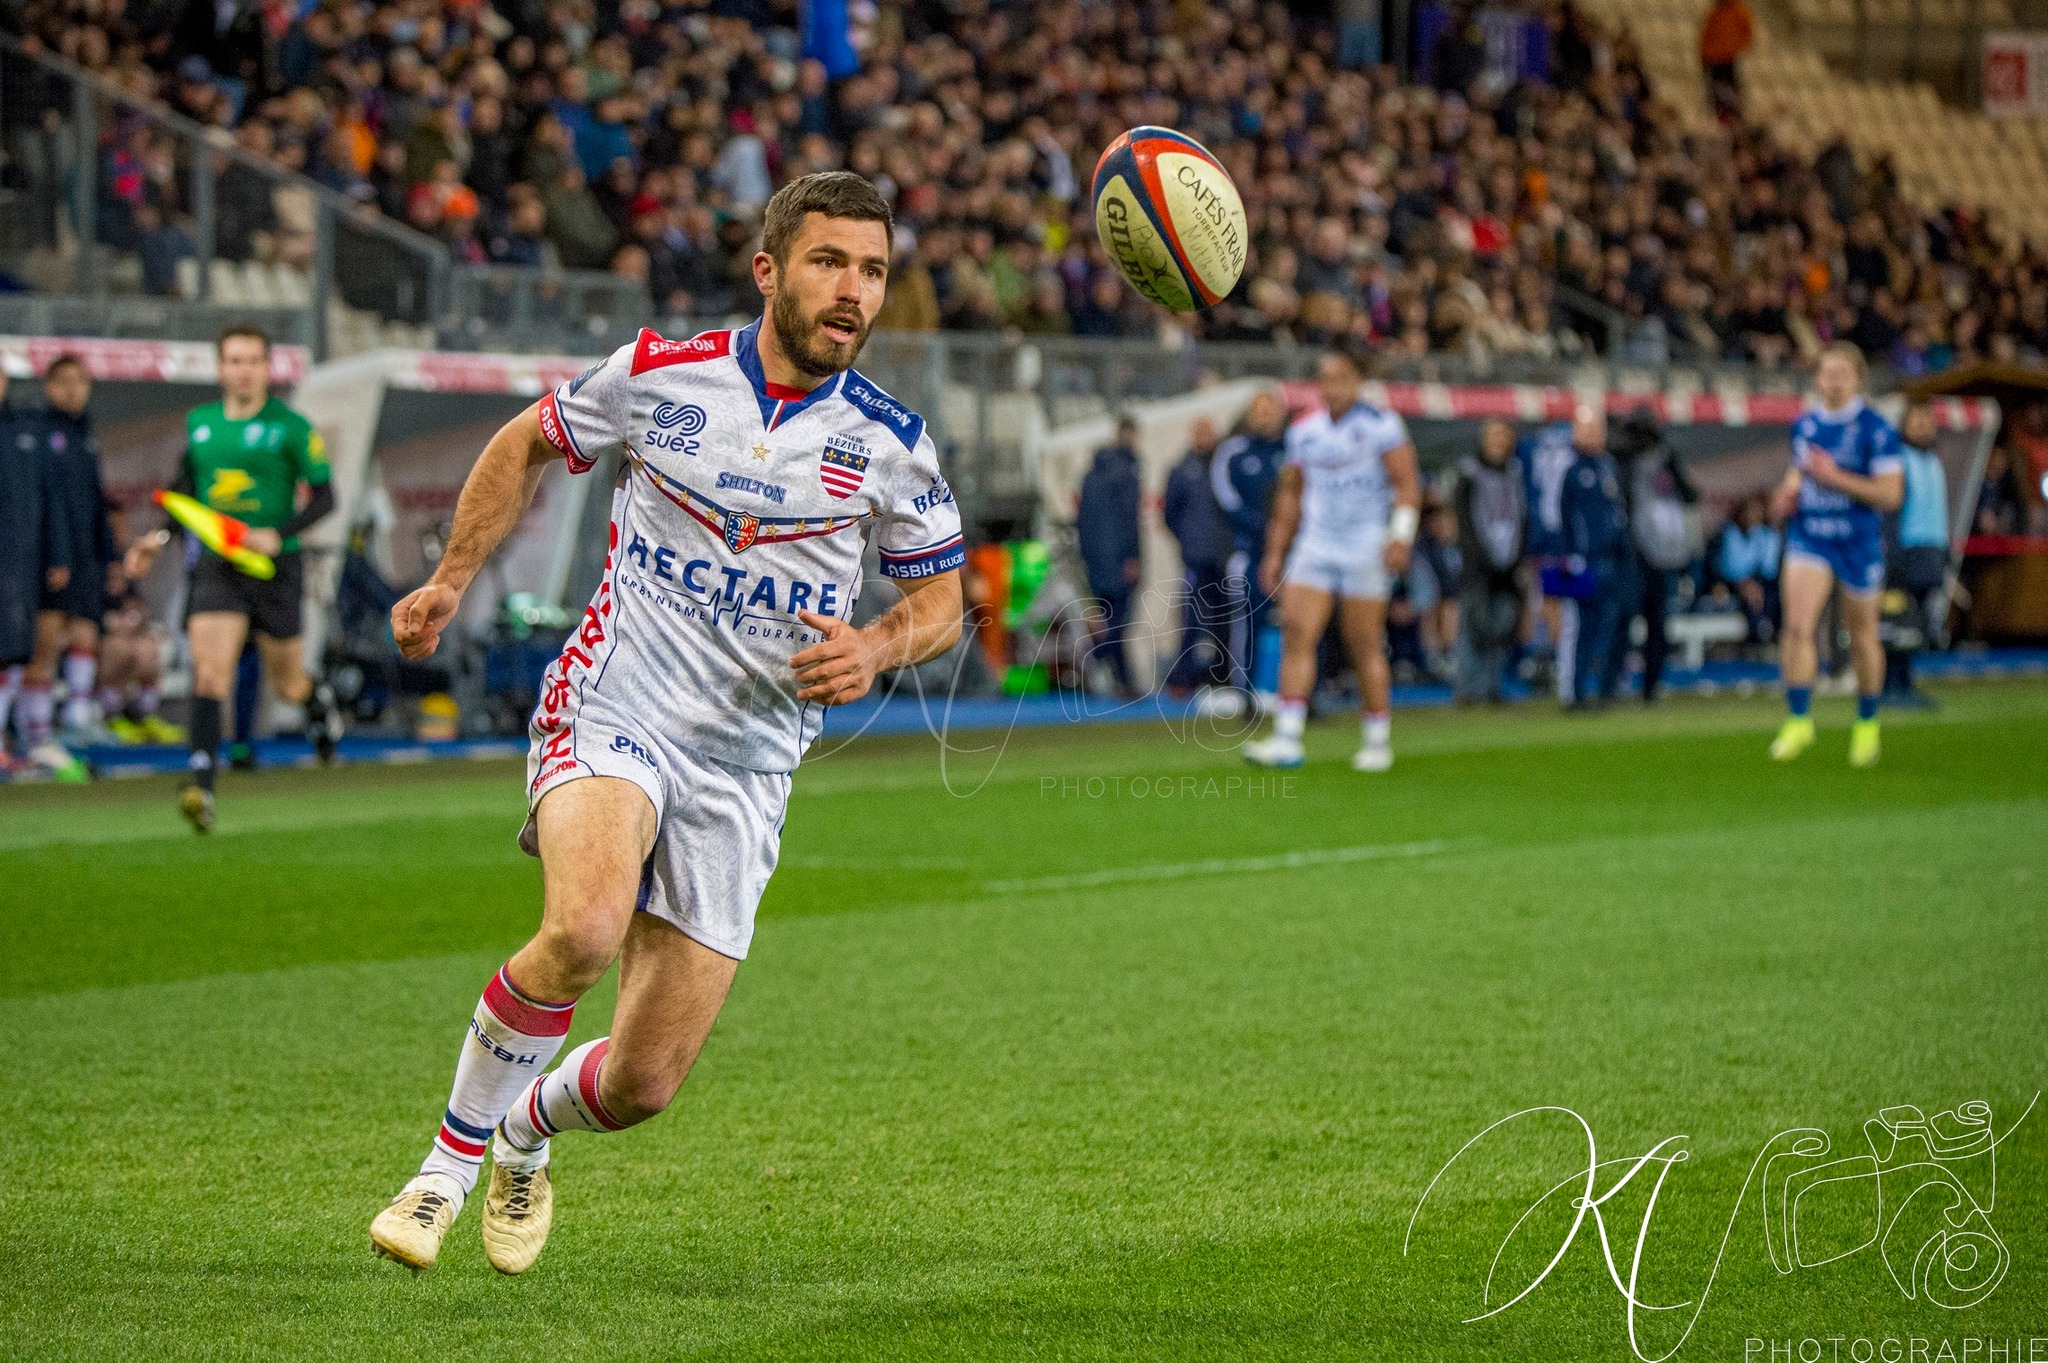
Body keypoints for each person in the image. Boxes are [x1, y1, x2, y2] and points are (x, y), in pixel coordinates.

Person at [366, 172, 965, 1276]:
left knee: (644, 1084)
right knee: (585, 927)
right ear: (769, 270)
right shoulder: (656, 375)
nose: (852, 293)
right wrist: (452, 577)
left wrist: (877, 645)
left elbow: (942, 600)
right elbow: (524, 443)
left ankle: (522, 1129)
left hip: (748, 762)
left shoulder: (891, 444)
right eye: (829, 263)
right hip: (616, 704)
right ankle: (439, 1173)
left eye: (873, 272)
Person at [122, 326, 342, 832]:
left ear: (268, 368)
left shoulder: (290, 426)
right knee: (209, 675)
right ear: (220, 369)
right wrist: (153, 544)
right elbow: (183, 497)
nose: (242, 370)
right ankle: (202, 784)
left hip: (274, 566)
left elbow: (325, 497)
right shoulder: (199, 425)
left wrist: (278, 533)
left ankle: (316, 700)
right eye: (234, 361)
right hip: (219, 567)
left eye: (252, 361)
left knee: (287, 683)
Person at [1244, 347, 1421, 771]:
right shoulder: (1304, 429)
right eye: (1325, 379)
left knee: (1363, 643)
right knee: (1297, 633)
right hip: (1317, 543)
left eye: (1341, 377)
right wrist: (1275, 550)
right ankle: (1288, 737)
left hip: (1365, 544)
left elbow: (1407, 483)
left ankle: (1377, 739)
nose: (1333, 387)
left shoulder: (1382, 425)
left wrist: (1400, 536)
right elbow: (1292, 492)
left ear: (1357, 380)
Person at [1768, 342, 1904, 767]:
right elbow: (1798, 474)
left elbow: (1891, 494)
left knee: (1862, 634)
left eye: (1842, 373)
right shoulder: (1805, 426)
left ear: (1858, 379)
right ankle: (1799, 718)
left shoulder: (1876, 429)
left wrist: (1837, 479)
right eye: (1827, 373)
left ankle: (1866, 723)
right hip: (1811, 534)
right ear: (1816, 379)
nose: (1833, 381)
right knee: (1796, 626)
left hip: (1858, 540)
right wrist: (1785, 496)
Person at [19, 355, 115, 775]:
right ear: (49, 386)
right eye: (65, 382)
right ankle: (34, 733)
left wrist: (108, 555)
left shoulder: (86, 434)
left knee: (85, 632)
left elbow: (95, 499)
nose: (74, 390)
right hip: (49, 556)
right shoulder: (37, 432)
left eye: (81, 381)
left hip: (85, 556)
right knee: (45, 641)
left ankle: (76, 720)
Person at [0, 372, 74, 770]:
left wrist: (58, 554)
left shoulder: (26, 431)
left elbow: (50, 497)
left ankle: (32, 738)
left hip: (22, 562)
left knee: (19, 650)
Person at [1613, 408, 1699, 702]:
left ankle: (1651, 686)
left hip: (1663, 551)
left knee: (1657, 621)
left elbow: (1691, 496)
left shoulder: (1667, 459)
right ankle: (1614, 682)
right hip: (1630, 550)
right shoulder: (1622, 460)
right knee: (1622, 620)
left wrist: (1674, 468)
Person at [1210, 390, 1288, 704]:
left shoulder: (1293, 450)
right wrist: (1265, 528)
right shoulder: (1234, 452)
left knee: (1302, 620)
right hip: (1249, 551)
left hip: (1292, 552)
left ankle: (1304, 694)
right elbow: (1226, 499)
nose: (1265, 416)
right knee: (1248, 622)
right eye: (1259, 410)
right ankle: (1247, 694)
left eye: (1270, 410)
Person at [1559, 403, 1631, 707]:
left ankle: (1605, 688)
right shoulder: (1572, 472)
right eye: (1586, 428)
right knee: (1581, 629)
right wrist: (1572, 554)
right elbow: (1565, 518)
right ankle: (1574, 691)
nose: (1592, 435)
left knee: (1610, 626)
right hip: (1585, 561)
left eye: (1595, 428)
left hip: (1613, 559)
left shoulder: (1609, 466)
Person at [1881, 400, 1950, 707]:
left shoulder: (1934, 461)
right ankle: (1889, 685)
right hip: (1905, 552)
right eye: (1916, 421)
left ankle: (1905, 681)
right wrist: (1891, 557)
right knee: (1896, 622)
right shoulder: (1899, 460)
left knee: (1917, 624)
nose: (1923, 427)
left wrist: (1944, 552)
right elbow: (1890, 512)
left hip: (1930, 552)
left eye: (1927, 421)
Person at [1453, 418, 1526, 703]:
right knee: (1473, 627)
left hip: (1508, 563)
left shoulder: (1515, 473)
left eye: (1504, 436)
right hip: (1477, 565)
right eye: (1494, 436)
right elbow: (1464, 520)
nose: (1499, 442)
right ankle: (1466, 690)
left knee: (1502, 627)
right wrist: (1478, 557)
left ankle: (1491, 687)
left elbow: (1523, 518)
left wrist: (1516, 558)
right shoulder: (1469, 473)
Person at [1162, 416, 1231, 692]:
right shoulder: (1181, 470)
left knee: (1223, 617)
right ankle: (1185, 675)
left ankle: (1222, 673)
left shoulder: (1222, 466)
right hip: (1196, 556)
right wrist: (1188, 540)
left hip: (1222, 555)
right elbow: (1170, 513)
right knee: (1192, 617)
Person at [1076, 416, 1143, 695]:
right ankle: (1108, 669)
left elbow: (1081, 520)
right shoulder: (1127, 471)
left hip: (1095, 559)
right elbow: (1128, 520)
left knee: (1107, 619)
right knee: (1119, 622)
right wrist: (1132, 556)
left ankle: (1103, 672)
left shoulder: (1091, 475)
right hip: (1117, 559)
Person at [1519, 415, 1580, 700]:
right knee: (1553, 605)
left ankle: (1551, 662)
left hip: (1551, 537)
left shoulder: (1533, 444)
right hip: (1557, 538)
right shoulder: (1542, 444)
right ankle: (1553, 662)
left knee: (1550, 604)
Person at [1710, 493, 1782, 644]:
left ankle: (1763, 634)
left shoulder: (1766, 535)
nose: (1753, 517)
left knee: (1766, 592)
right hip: (1732, 584)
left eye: (1757, 513)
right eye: (1750, 512)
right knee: (1750, 592)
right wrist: (1743, 583)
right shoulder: (1728, 534)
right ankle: (1756, 636)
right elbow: (1724, 567)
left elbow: (1769, 568)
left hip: (1762, 584)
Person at [1699, 0, 1755, 122]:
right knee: (1717, 92)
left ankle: (1732, 118)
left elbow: (1748, 32)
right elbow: (1706, 36)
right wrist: (1704, 56)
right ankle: (1722, 118)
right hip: (1713, 59)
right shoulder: (1715, 13)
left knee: (1728, 90)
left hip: (1728, 58)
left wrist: (1739, 47)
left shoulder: (1738, 10)